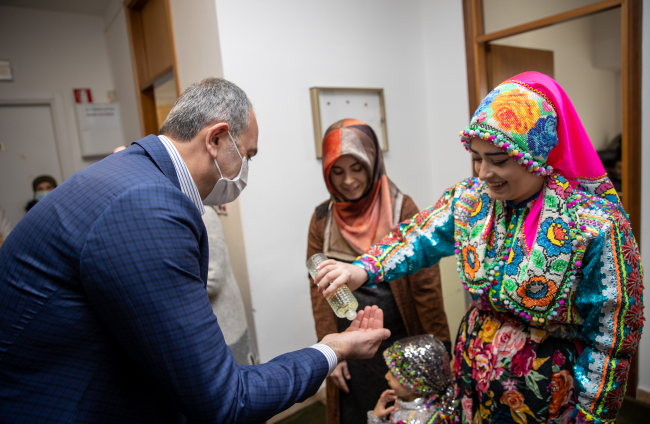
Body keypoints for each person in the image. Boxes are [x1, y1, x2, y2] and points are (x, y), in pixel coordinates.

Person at [0, 78, 391, 424]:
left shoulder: (131, 174)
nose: (247, 169)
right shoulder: (147, 204)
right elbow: (227, 402)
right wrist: (331, 350)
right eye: (248, 154)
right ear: (217, 139)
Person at [314, 72, 643, 424]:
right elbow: (417, 237)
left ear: (535, 152)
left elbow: (612, 331)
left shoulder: (593, 224)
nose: (484, 172)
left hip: (547, 392)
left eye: (499, 159)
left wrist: (593, 413)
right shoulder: (471, 200)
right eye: (476, 158)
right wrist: (362, 268)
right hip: (473, 375)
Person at [307, 119, 451, 424]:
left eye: (357, 168)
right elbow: (318, 289)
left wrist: (441, 347)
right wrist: (328, 351)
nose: (348, 181)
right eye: (338, 170)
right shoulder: (322, 218)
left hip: (398, 339)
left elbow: (426, 287)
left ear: (373, 162)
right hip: (348, 341)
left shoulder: (401, 208)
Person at [203, 205, 258, 365]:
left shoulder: (205, 214)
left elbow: (212, 279)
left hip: (227, 326)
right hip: (216, 327)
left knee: (241, 383)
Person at [368, 335, 454, 424]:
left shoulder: (426, 419)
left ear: (416, 383)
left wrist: (376, 420)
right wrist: (376, 417)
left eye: (394, 374)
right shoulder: (402, 403)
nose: (386, 376)